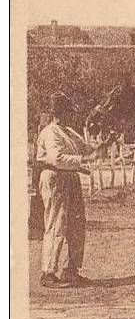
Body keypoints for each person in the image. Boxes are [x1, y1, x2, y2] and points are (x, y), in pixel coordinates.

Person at [35, 93, 101, 288]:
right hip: (55, 177)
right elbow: (58, 159)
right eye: (68, 112)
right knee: (57, 223)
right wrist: (83, 160)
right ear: (59, 113)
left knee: (77, 223)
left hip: (70, 178)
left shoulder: (68, 132)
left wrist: (103, 144)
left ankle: (71, 270)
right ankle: (48, 272)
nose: (71, 116)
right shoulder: (50, 132)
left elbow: (87, 149)